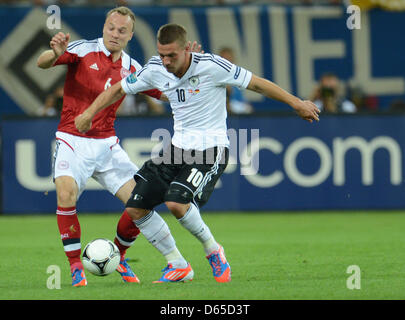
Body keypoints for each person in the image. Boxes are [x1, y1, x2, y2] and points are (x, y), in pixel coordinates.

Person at [75, 23, 320, 283]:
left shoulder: (212, 66)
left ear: (185, 49)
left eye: (172, 55)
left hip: (210, 149)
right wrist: (89, 112)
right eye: (162, 54)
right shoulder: (155, 69)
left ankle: (214, 251)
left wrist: (296, 102)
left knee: (176, 203)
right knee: (135, 207)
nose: (166, 61)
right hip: (176, 149)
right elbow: (118, 89)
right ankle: (177, 264)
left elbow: (257, 84)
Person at [36, 7, 207, 287]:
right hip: (72, 139)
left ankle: (141, 258)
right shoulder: (81, 50)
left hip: (107, 145)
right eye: (111, 28)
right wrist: (55, 52)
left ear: (130, 35)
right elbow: (43, 63)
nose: (115, 34)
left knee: (141, 201)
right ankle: (76, 266)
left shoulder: (132, 66)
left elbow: (166, 92)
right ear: (104, 27)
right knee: (66, 193)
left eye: (122, 30)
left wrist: (189, 68)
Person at [219, 47, 254, 114]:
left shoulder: (239, 78)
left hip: (236, 117)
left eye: (229, 59)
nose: (227, 63)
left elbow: (244, 104)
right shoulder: (214, 77)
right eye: (224, 60)